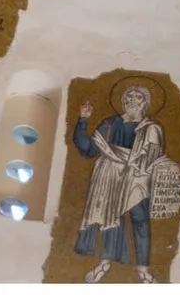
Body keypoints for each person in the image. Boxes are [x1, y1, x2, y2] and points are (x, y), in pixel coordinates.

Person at [73, 83, 167, 283]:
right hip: (109, 178)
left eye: (138, 97)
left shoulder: (152, 129)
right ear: (123, 102)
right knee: (110, 221)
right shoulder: (110, 124)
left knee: (140, 220)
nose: (133, 100)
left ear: (146, 104)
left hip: (137, 178)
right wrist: (83, 120)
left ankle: (143, 270)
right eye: (129, 97)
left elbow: (155, 158)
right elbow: (88, 149)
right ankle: (104, 264)